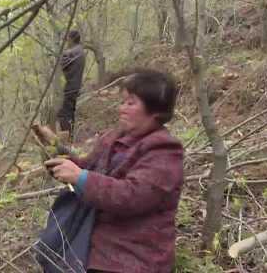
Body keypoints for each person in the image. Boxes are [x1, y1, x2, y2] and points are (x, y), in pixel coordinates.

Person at [33, 68, 184, 273]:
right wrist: (57, 153)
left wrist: (80, 177)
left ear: (155, 111)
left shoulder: (165, 151)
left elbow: (132, 196)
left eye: (131, 103)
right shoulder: (115, 137)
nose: (122, 108)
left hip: (134, 254)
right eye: (122, 102)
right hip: (93, 241)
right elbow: (90, 168)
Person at [57, 30, 85, 136]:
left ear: (71, 39)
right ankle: (70, 136)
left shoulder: (73, 52)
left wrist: (60, 54)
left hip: (71, 87)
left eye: (67, 38)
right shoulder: (80, 50)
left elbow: (62, 62)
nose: (67, 41)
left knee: (65, 114)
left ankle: (67, 138)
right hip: (75, 86)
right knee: (70, 112)